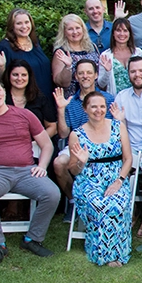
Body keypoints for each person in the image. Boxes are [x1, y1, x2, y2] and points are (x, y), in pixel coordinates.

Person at [0, 76, 61, 267]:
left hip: (26, 170)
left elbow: (46, 145)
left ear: (4, 91)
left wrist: (41, 166)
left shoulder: (24, 115)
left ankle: (32, 239)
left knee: (52, 193)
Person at [66, 92, 133, 266]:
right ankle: (105, 255)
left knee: (116, 204)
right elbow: (73, 170)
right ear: (85, 109)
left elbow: (128, 159)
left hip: (116, 178)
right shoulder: (76, 135)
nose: (99, 110)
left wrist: (119, 181)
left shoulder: (118, 127)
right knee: (101, 206)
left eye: (102, 106)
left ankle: (119, 253)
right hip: (88, 181)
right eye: (94, 106)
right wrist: (81, 162)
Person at [52, 60, 115, 193]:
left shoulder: (107, 99)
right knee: (59, 163)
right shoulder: (70, 101)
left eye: (89, 72)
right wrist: (61, 109)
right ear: (76, 77)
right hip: (76, 146)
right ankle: (73, 201)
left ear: (96, 75)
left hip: (102, 146)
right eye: (81, 73)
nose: (85, 76)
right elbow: (63, 134)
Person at [0, 8, 53, 99]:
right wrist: (1, 66)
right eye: (19, 23)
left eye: (27, 22)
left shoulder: (35, 42)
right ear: (12, 26)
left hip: (45, 97)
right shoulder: (5, 47)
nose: (24, 26)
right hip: (25, 100)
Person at [2, 60, 56, 137]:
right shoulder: (1, 98)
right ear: (8, 76)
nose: (19, 78)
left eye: (24, 75)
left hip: (37, 145)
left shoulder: (40, 98)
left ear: (29, 77)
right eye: (15, 75)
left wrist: (39, 142)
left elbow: (52, 126)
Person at [51, 14, 100, 99]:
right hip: (72, 99)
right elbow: (61, 83)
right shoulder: (61, 52)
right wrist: (68, 67)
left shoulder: (92, 47)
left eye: (77, 28)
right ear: (64, 32)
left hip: (94, 97)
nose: (75, 32)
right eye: (70, 29)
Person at [98, 17, 141, 95]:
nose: (122, 34)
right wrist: (107, 72)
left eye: (125, 30)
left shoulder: (138, 53)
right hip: (115, 100)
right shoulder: (105, 56)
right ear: (113, 34)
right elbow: (101, 84)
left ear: (129, 33)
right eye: (118, 30)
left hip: (136, 98)